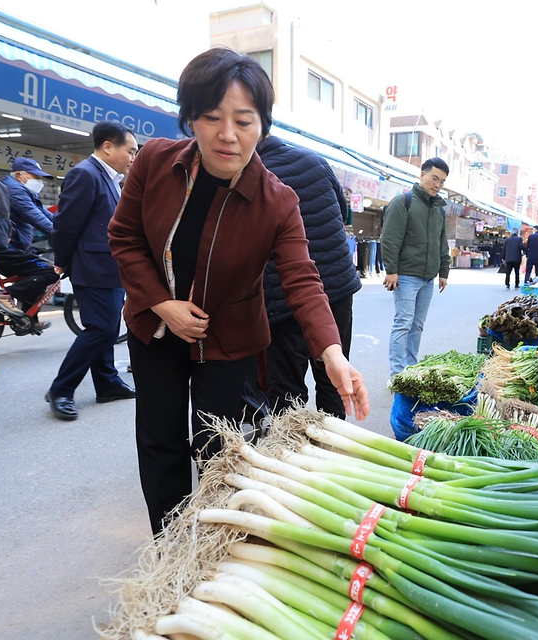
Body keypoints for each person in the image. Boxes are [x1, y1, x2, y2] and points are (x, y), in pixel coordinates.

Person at [108, 47, 369, 535]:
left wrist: (332, 353)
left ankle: (210, 542)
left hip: (228, 340)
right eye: (212, 117)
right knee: (159, 442)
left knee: (217, 447)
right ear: (190, 118)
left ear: (263, 127)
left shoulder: (278, 200)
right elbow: (123, 238)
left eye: (244, 120)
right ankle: (169, 547)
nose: (227, 135)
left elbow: (302, 278)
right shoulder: (154, 164)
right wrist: (163, 304)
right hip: (156, 329)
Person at [256, 129, 362, 418]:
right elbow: (341, 211)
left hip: (283, 294)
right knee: (333, 373)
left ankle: (291, 450)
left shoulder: (253, 173)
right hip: (336, 287)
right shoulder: (315, 160)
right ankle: (332, 446)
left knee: (286, 387)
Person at [47, 121, 139, 421]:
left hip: (108, 267)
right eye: (130, 151)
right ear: (108, 146)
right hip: (92, 267)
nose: (133, 158)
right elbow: (66, 223)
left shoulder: (110, 178)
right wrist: (61, 261)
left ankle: (108, 383)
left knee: (109, 328)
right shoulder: (85, 174)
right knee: (100, 329)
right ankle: (61, 389)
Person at [381, 157, 450, 379]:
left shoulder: (439, 209)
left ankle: (410, 370)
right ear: (422, 175)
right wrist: (391, 270)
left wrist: (443, 272)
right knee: (403, 323)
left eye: (442, 181)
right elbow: (390, 238)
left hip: (428, 278)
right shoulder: (403, 201)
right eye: (434, 178)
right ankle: (397, 374)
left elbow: (442, 242)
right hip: (407, 276)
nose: (437, 184)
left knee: (417, 326)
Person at [0, 157, 59, 331]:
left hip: (13, 247)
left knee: (37, 274)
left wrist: (70, 228)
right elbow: (36, 218)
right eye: (35, 176)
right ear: (20, 175)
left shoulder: (23, 190)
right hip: (5, 250)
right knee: (50, 271)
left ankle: (29, 319)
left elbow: (47, 216)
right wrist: (63, 236)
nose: (39, 180)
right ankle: (5, 294)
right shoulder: (15, 191)